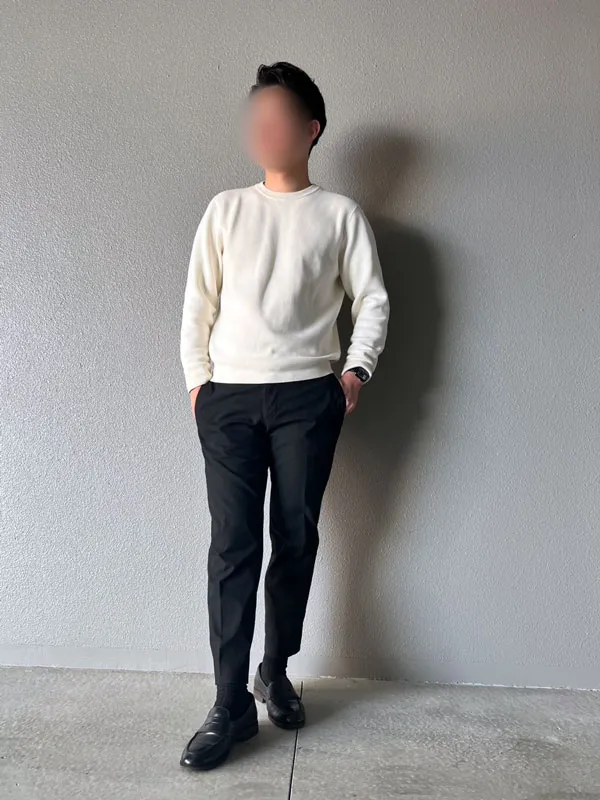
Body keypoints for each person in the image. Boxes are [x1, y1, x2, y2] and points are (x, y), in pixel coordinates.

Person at [179, 61, 389, 771]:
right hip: (229, 399)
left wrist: (356, 370)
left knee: (295, 538)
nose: (263, 129)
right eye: (256, 117)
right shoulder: (225, 210)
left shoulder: (340, 215)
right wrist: (199, 385)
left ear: (310, 129)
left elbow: (372, 299)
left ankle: (275, 671)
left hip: (307, 396)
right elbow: (198, 304)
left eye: (278, 117)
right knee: (232, 547)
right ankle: (229, 703)